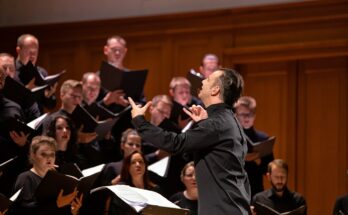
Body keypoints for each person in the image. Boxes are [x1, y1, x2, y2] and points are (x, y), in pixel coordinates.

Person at [128, 68, 251, 215]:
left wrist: (139, 121)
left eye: (208, 79)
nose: (203, 81)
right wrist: (203, 124)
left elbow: (176, 143)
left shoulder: (216, 124)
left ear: (215, 90)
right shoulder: (230, 121)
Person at [11, 135, 82, 215]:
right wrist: (57, 204)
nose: (49, 158)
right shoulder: (25, 178)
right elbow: (25, 211)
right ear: (33, 155)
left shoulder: (57, 177)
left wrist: (74, 211)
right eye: (44, 154)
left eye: (52, 154)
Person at [234, 96, 274, 197]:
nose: (247, 117)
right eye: (243, 114)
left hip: (256, 190)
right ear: (236, 115)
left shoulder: (263, 138)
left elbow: (268, 171)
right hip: (234, 189)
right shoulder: (230, 138)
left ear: (255, 115)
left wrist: (257, 160)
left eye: (250, 114)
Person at [15, 34, 57, 113]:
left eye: (35, 52)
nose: (32, 56)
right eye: (29, 51)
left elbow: (51, 106)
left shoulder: (42, 72)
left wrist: (48, 96)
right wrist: (26, 91)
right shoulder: (11, 71)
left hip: (37, 120)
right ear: (18, 50)